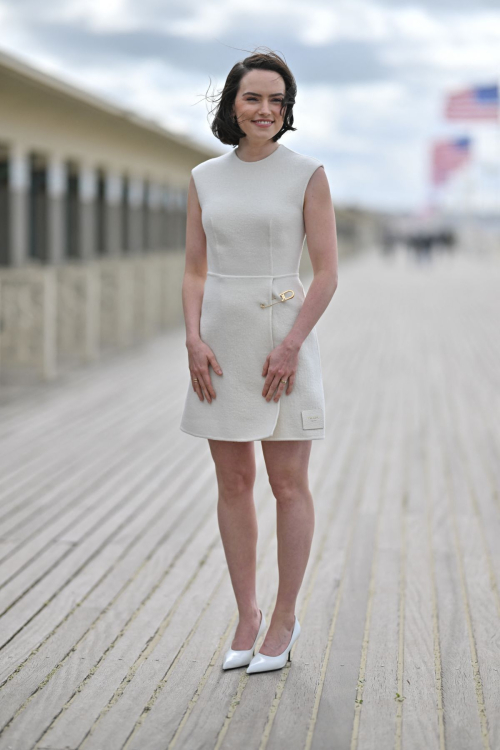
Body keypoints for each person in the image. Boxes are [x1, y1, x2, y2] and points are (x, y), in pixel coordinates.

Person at [180, 48, 338, 673]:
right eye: (254, 98)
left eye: (277, 100)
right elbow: (194, 269)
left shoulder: (308, 173)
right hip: (219, 342)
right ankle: (247, 613)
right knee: (234, 482)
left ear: (287, 108)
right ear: (233, 104)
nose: (266, 109)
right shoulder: (203, 177)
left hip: (284, 338)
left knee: (286, 483)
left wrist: (292, 343)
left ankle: (284, 617)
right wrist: (192, 339)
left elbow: (325, 274)